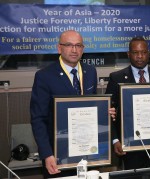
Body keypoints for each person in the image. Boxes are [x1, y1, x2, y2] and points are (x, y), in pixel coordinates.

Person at [30, 30, 115, 178]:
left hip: (87, 150)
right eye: (69, 45)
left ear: (83, 49)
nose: (74, 50)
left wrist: (105, 113)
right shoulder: (45, 76)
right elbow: (38, 118)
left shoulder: (90, 72)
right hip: (58, 155)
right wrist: (47, 154)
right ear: (59, 48)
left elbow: (91, 107)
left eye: (78, 45)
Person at [105, 36, 150, 169]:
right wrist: (115, 140)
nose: (140, 56)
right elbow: (108, 113)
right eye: (135, 52)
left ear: (149, 54)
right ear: (129, 54)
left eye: (144, 52)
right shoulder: (116, 78)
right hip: (129, 146)